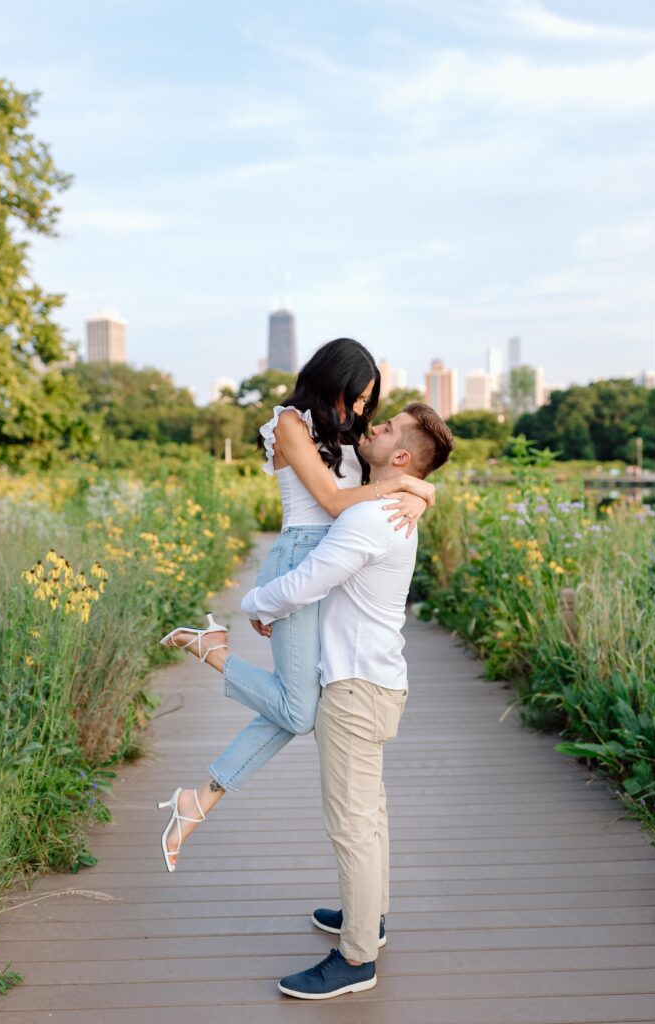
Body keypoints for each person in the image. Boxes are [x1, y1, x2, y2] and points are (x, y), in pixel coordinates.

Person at [170, 403, 454, 998]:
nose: (371, 427)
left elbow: (305, 584)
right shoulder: (389, 509)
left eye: (385, 428)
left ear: (399, 457)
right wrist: (421, 490)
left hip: (354, 692)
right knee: (369, 817)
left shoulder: (372, 520)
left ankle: (355, 962)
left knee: (352, 826)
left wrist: (255, 607)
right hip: (376, 682)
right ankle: (366, 920)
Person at [158, 339, 435, 870]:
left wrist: (423, 493)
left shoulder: (347, 433)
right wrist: (407, 486)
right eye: (356, 400)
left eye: (366, 405)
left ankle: (198, 798)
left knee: (296, 707)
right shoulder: (289, 423)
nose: (360, 413)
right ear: (332, 381)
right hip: (298, 560)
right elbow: (332, 503)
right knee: (299, 710)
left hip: (330, 564)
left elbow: (378, 482)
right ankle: (211, 656)